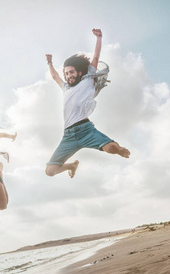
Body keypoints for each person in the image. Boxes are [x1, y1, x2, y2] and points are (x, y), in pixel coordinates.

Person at [45, 28, 130, 178]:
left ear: (78, 72)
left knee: (111, 148)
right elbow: (55, 76)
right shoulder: (66, 88)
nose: (68, 75)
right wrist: (50, 62)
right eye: (66, 73)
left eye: (71, 72)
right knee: (50, 171)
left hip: (86, 131)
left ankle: (119, 148)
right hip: (69, 136)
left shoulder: (88, 80)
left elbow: (96, 57)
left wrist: (99, 38)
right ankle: (71, 166)